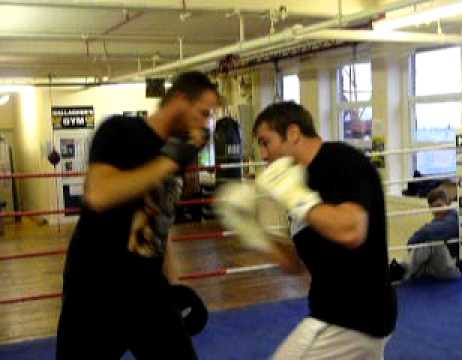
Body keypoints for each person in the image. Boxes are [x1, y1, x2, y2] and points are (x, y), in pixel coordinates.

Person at [56, 71, 219, 360]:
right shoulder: (119, 131)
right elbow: (99, 194)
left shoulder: (175, 153)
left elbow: (160, 221)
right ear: (180, 100)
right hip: (96, 288)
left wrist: (174, 281)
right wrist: (168, 162)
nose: (205, 124)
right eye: (203, 113)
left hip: (146, 289)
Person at [216, 101, 397, 359]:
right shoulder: (298, 179)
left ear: (293, 133)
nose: (264, 155)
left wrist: (296, 198)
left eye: (266, 142)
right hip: (342, 314)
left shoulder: (343, 162)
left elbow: (353, 231)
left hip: (351, 318)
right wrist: (253, 232)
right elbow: (294, 264)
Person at [389, 187, 462, 283]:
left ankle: (399, 272)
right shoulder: (437, 221)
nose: (436, 211)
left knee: (432, 243)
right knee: (421, 255)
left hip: (453, 269)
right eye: (433, 208)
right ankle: (398, 271)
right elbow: (420, 237)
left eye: (439, 206)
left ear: (448, 203)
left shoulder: (455, 219)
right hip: (437, 266)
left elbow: (425, 234)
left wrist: (415, 241)